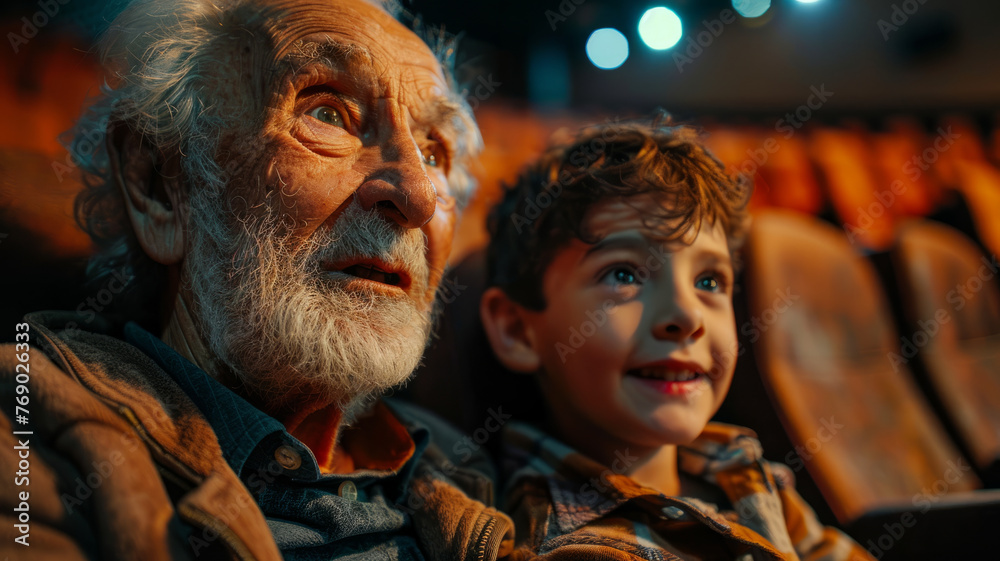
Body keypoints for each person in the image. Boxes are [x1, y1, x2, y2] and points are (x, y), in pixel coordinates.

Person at [0, 0, 515, 559]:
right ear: (159, 187)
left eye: (434, 151)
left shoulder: (467, 466)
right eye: (326, 113)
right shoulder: (28, 436)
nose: (416, 195)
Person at [479, 114, 875, 560]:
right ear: (517, 330)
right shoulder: (573, 548)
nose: (687, 316)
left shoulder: (738, 470)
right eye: (624, 274)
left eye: (709, 281)